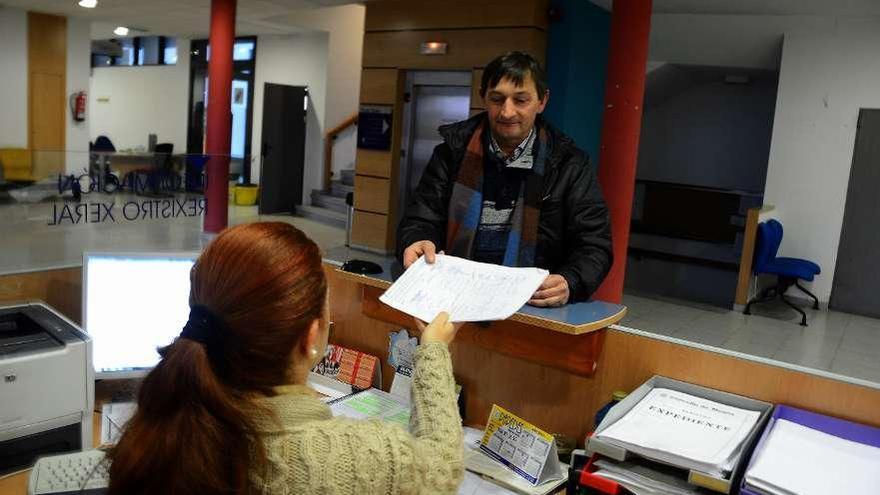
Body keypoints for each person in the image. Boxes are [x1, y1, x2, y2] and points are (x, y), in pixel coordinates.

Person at [107, 222, 464, 494]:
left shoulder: (155, 433)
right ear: (311, 337)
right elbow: (443, 466)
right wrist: (433, 349)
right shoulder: (361, 456)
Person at [397, 51, 612, 306]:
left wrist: (571, 281)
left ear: (542, 101)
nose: (507, 112)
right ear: (483, 98)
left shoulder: (569, 163)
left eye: (521, 100)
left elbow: (595, 243)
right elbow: (421, 219)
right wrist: (416, 240)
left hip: (531, 307)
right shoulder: (450, 153)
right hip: (451, 300)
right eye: (497, 99)